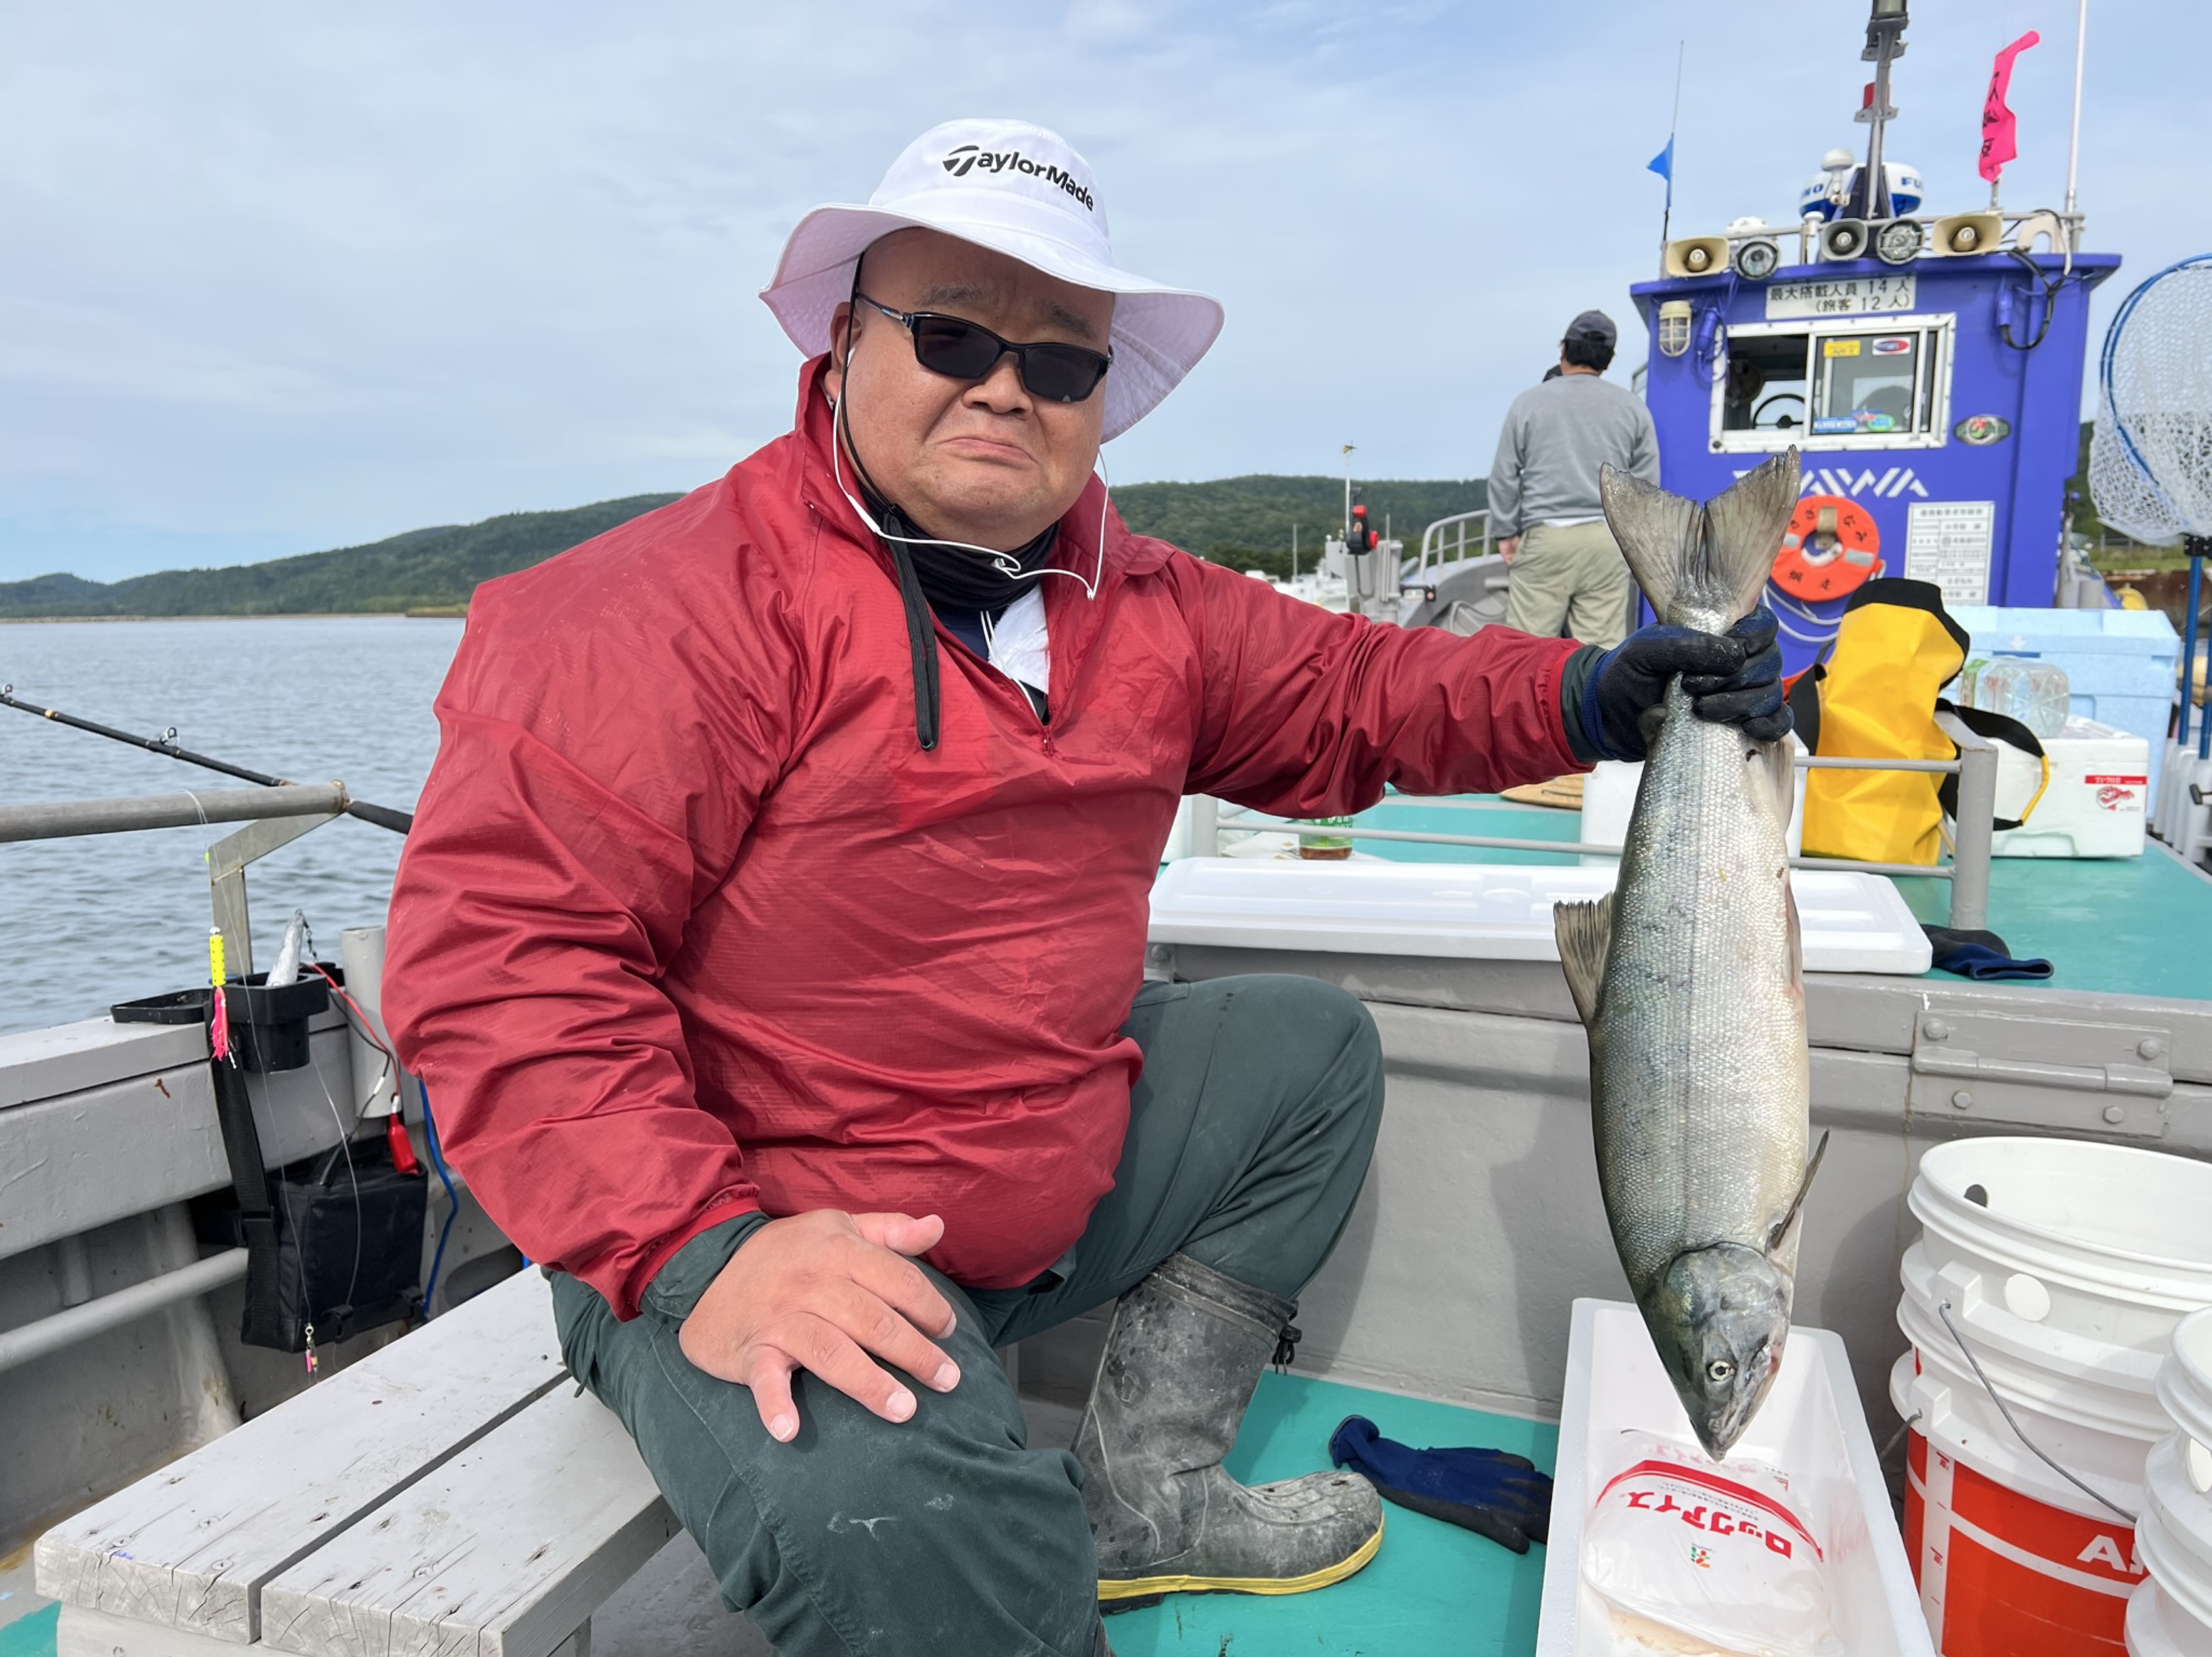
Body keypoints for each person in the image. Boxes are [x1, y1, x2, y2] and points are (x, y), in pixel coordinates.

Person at [383, 119, 1788, 1657]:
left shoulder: (1147, 603)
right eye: (952, 335)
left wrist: (1594, 694)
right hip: (754, 1220)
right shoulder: (655, 611)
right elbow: (502, 967)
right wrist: (705, 1251)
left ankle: (1147, 1495)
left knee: (1308, 1055)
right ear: (844, 343)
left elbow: (1360, 690)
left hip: (1020, 1172)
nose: (1006, 386)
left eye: (1058, 362)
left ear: (1099, 401)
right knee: (909, 1526)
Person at [1489, 310, 1662, 649]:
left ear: (1564, 350)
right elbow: (1645, 486)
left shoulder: (1528, 403)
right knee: (1599, 655)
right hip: (1606, 542)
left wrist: (1506, 531)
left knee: (1526, 651)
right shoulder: (1632, 407)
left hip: (1546, 539)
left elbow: (1504, 474)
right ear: (1608, 359)